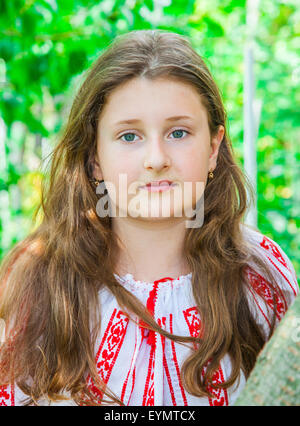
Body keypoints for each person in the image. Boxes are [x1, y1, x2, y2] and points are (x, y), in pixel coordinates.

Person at [0, 29, 298, 406]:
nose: (156, 159)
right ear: (94, 158)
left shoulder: (261, 277)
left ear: (212, 147)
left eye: (178, 132)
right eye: (129, 136)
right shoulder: (37, 280)